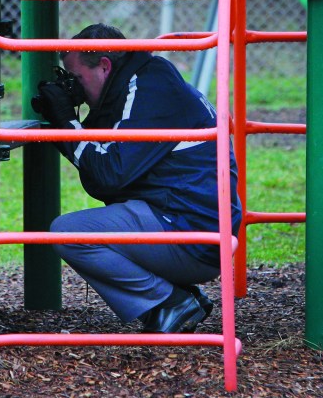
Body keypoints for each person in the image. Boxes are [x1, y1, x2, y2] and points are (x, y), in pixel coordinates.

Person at [34, 23, 241, 334]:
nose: (75, 88)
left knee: (68, 232)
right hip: (187, 222)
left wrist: (66, 121)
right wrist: (66, 124)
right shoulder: (133, 84)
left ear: (104, 66)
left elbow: (107, 175)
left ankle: (170, 302)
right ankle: (178, 297)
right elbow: (99, 175)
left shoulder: (148, 89)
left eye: (77, 79)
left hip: (193, 233)